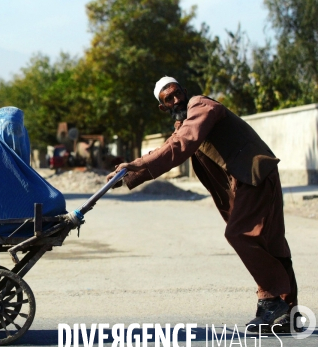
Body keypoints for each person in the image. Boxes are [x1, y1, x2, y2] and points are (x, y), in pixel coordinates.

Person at [106, 76, 297, 332]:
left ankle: (272, 301)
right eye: (168, 99)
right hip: (248, 181)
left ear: (185, 91)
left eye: (176, 93)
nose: (176, 100)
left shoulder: (201, 106)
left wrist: (136, 164)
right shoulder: (182, 123)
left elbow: (181, 144)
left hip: (254, 175)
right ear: (163, 107)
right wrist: (126, 176)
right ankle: (286, 314)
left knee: (241, 234)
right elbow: (169, 148)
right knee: (270, 243)